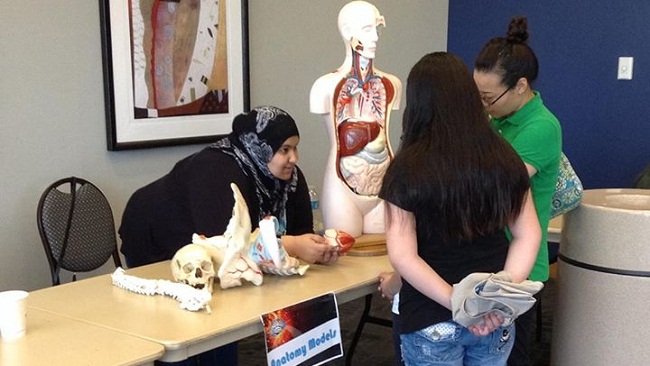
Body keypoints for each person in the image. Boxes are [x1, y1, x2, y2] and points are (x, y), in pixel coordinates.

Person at [119, 105, 339, 366]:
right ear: (260, 146)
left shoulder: (288, 178)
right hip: (156, 236)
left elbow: (301, 231)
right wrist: (292, 246)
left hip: (209, 242)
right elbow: (225, 245)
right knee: (182, 319)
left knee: (223, 315)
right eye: (285, 150)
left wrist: (315, 248)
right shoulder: (215, 170)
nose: (294, 157)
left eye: (295, 148)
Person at [380, 52, 541, 366]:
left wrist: (458, 302)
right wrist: (494, 301)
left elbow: (403, 255)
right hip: (494, 320)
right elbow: (528, 234)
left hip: (430, 317)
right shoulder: (504, 158)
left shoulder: (406, 169)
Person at [473, 16, 562, 366]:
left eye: (489, 98)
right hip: (487, 253)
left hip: (520, 263)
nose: (483, 106)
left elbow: (494, 185)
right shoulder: (495, 119)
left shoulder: (542, 127)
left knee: (508, 355)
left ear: (521, 86)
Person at [309, 0, 402, 237]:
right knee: (343, 260)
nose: (375, 38)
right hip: (341, 186)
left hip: (383, 185)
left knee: (384, 259)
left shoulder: (392, 84)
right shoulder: (325, 86)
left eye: (377, 30)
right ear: (348, 31)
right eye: (367, 30)